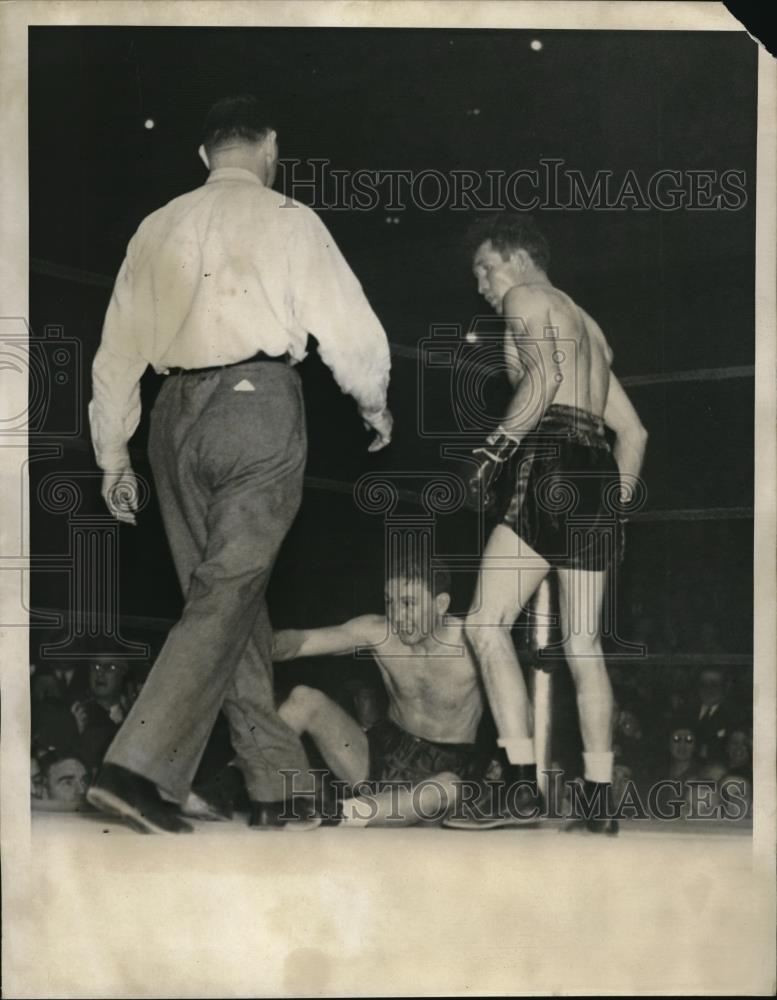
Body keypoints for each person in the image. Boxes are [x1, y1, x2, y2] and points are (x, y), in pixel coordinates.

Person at [86, 95, 393, 834]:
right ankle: (137, 768)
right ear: (270, 147)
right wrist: (373, 405)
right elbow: (349, 328)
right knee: (226, 593)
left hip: (171, 420)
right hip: (256, 408)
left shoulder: (156, 226)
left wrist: (112, 455)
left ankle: (276, 780)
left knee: (228, 598)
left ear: (202, 156)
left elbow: (116, 353)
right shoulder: (288, 219)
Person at [459, 214, 648, 832]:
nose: (483, 286)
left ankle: (519, 788)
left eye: (485, 268)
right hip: (594, 473)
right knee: (583, 644)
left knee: (485, 624)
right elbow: (633, 432)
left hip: (551, 461)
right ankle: (599, 803)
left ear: (515, 258)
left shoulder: (524, 297)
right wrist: (613, 510)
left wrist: (493, 449)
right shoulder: (588, 325)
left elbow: (541, 381)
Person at [271, 558, 488, 827]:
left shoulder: (476, 644)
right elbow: (300, 642)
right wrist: (241, 639)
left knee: (449, 788)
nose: (397, 615)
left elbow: (514, 705)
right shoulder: (378, 632)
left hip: (442, 770)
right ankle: (252, 790)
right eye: (390, 602)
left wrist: (511, 765)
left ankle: (333, 813)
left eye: (409, 603)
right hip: (377, 756)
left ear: (441, 604)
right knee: (304, 699)